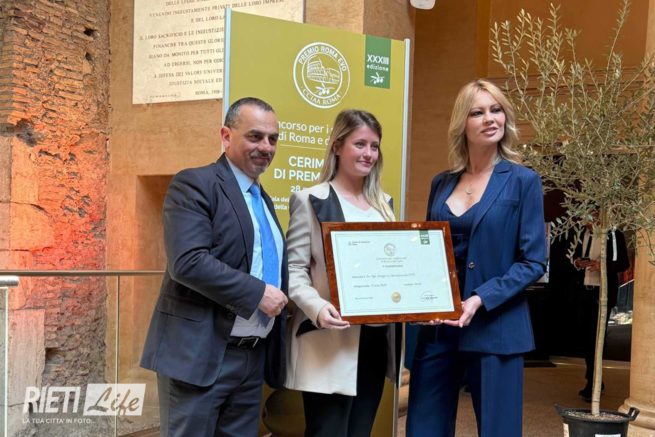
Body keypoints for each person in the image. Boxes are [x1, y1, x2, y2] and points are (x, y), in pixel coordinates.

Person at [406, 79, 547, 437]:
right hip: (439, 326)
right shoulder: (441, 183)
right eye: (478, 112)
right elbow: (429, 250)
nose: (490, 118)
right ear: (462, 123)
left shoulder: (523, 181)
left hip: (496, 325)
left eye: (496, 110)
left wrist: (481, 298)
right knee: (423, 427)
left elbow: (534, 261)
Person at [140, 97, 288, 437]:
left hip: (252, 360)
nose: (266, 147)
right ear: (226, 136)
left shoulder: (262, 200)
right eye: (255, 136)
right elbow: (188, 262)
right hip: (201, 357)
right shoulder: (195, 184)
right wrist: (258, 294)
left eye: (273, 139)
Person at [284, 109, 400, 437]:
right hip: (329, 338)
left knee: (360, 431)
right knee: (327, 431)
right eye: (359, 144)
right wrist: (318, 308)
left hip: (374, 342)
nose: (368, 154)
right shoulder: (310, 200)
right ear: (337, 146)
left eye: (374, 146)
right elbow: (294, 270)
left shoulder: (385, 206)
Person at [570, 225, 629, 401]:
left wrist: (602, 265)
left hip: (602, 293)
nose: (587, 219)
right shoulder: (581, 233)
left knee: (595, 339)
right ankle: (595, 380)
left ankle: (593, 382)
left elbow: (623, 263)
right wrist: (577, 263)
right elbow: (572, 256)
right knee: (585, 339)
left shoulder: (614, 234)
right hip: (583, 292)